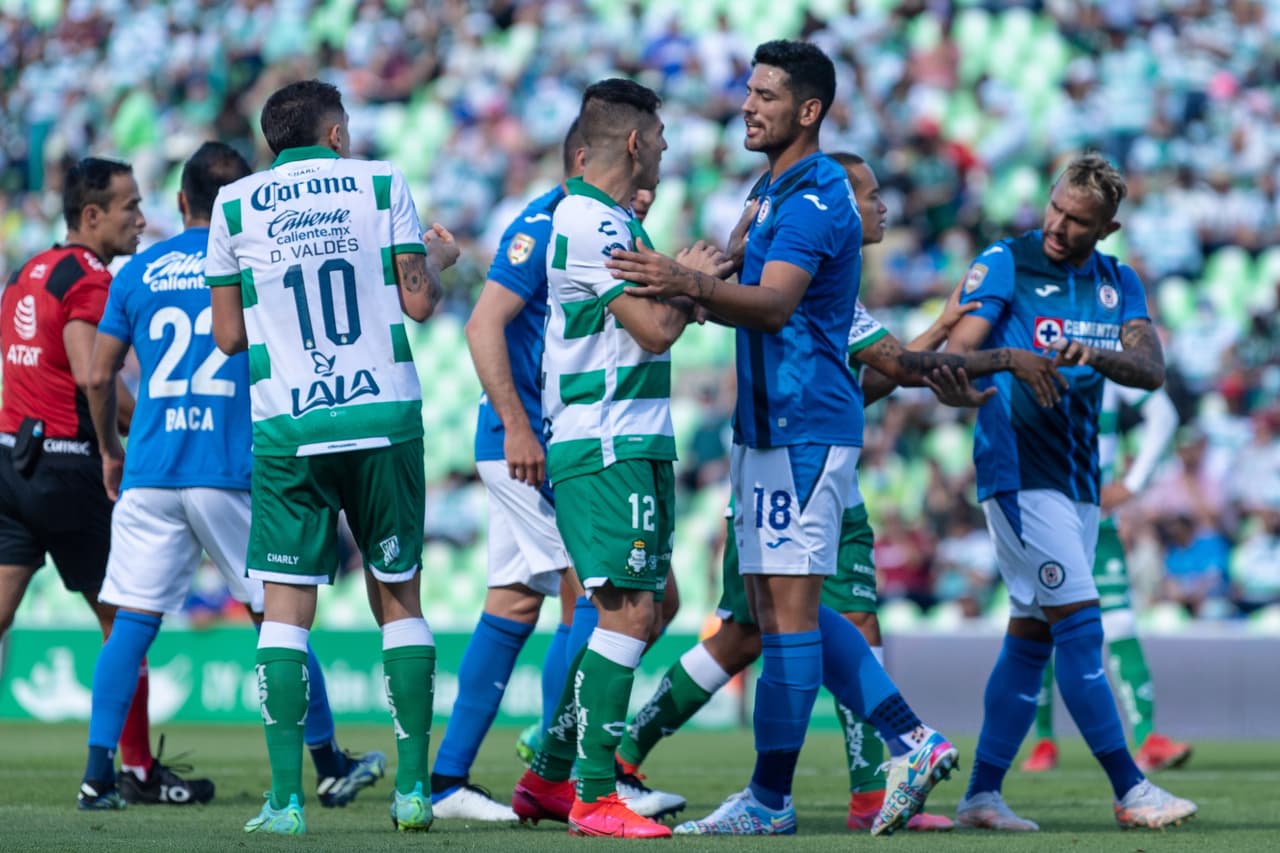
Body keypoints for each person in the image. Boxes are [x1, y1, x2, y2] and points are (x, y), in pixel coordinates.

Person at [611, 151, 1058, 835]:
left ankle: (854, 780)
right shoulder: (813, 285)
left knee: (800, 620)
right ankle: (880, 753)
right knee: (760, 626)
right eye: (869, 195)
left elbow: (887, 369)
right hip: (790, 453)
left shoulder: (822, 289)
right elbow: (890, 369)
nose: (879, 207)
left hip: (804, 455)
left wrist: (958, 341)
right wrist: (975, 348)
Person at [77, 142, 386, 812]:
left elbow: (98, 376)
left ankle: (98, 776)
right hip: (232, 467)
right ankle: (328, 763)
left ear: (181, 200)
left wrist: (109, 450)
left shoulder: (137, 271)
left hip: (152, 467)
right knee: (277, 619)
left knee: (130, 622)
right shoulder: (260, 264)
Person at [207, 79, 459, 836]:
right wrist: (438, 258)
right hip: (383, 414)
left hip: (290, 424)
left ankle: (286, 802)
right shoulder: (381, 182)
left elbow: (228, 337)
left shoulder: (234, 205)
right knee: (399, 597)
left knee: (285, 613)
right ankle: (412, 793)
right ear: (337, 135)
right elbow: (420, 302)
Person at [944, 153, 1197, 831]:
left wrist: (1097, 355)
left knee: (1031, 636)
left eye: (1077, 220)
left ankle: (981, 795)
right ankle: (1131, 789)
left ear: (1106, 228)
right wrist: (1007, 360)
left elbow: (1150, 369)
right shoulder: (1008, 262)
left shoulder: (1118, 283)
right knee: (1082, 629)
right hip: (1019, 472)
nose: (1057, 226)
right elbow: (954, 356)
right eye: (1055, 208)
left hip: (1080, 482)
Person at [509, 78, 696, 840]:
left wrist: (691, 278)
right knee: (629, 610)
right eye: (660, 138)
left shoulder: (611, 218)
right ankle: (593, 794)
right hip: (606, 438)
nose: (665, 150)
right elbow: (656, 329)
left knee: (642, 605)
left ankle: (549, 773)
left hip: (630, 435)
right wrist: (691, 278)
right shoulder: (589, 220)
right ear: (635, 142)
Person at [0, 156, 211, 805]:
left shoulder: (29, 270)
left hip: (11, 462)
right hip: (68, 469)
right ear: (91, 216)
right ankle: (136, 770)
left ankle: (135, 767)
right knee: (127, 619)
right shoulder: (89, 279)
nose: (141, 220)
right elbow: (94, 375)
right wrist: (148, 428)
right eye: (130, 207)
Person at [430, 125, 585, 822]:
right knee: (599, 597)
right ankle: (564, 768)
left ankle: (448, 779)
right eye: (649, 149)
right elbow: (481, 325)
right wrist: (519, 425)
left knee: (515, 604)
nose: (651, 187)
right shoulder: (543, 224)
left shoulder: (597, 224)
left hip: (534, 443)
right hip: (527, 445)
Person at [1023, 382, 1193, 774]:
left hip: (1098, 524)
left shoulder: (1106, 362)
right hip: (1046, 521)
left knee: (1120, 623)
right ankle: (1043, 740)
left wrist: (1132, 484)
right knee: (1039, 626)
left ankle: (1147, 739)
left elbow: (1164, 414)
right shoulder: (1030, 358)